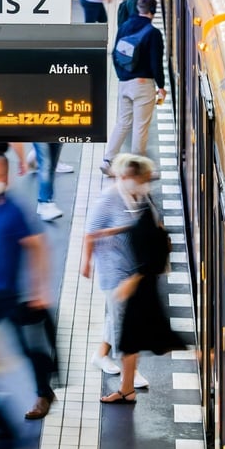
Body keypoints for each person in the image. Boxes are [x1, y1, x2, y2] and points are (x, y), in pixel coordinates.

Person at [0, 157, 55, 420]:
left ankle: (44, 394)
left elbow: (38, 247)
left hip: (15, 294)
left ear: (4, 178)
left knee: (29, 348)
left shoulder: (15, 211)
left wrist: (40, 290)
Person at [81, 155, 156, 400]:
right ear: (125, 176)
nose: (145, 183)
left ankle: (102, 355)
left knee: (118, 317)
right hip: (115, 271)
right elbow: (90, 232)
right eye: (141, 179)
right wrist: (86, 263)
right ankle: (128, 383)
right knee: (124, 324)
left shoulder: (139, 196)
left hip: (133, 271)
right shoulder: (109, 199)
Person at [101, 0, 165, 173]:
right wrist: (161, 86)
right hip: (143, 85)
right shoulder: (153, 33)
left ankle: (108, 160)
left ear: (138, 9)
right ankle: (137, 169)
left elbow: (115, 54)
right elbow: (156, 63)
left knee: (123, 123)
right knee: (140, 126)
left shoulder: (124, 27)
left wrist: (123, 76)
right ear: (152, 11)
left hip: (124, 83)